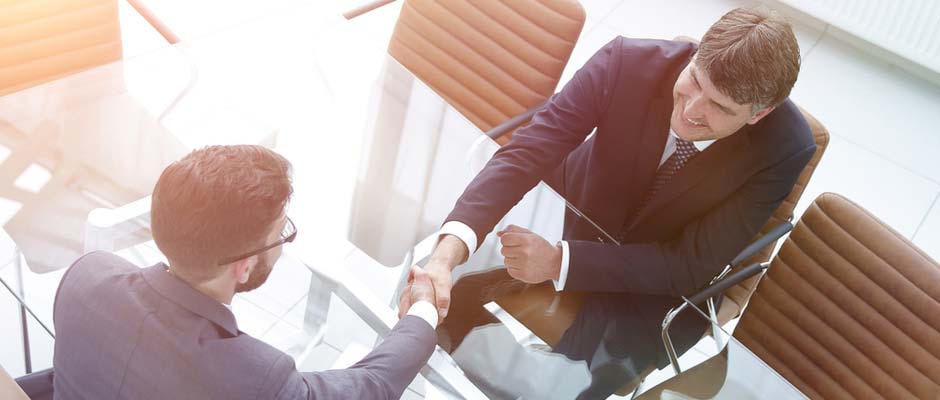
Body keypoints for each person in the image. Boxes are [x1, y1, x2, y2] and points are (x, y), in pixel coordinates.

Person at [424, 7, 817, 398]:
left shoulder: (785, 148)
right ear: (695, 54)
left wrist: (561, 262)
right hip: (572, 214)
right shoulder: (626, 62)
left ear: (759, 114)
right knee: (431, 301)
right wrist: (445, 255)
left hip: (650, 289)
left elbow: (689, 264)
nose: (692, 110)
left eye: (720, 107)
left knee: (556, 389)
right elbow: (527, 153)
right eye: (695, 81)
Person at [52, 145, 439, 399]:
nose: (283, 243)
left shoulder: (87, 277)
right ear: (243, 266)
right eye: (280, 234)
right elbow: (370, 386)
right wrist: (422, 311)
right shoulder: (258, 379)